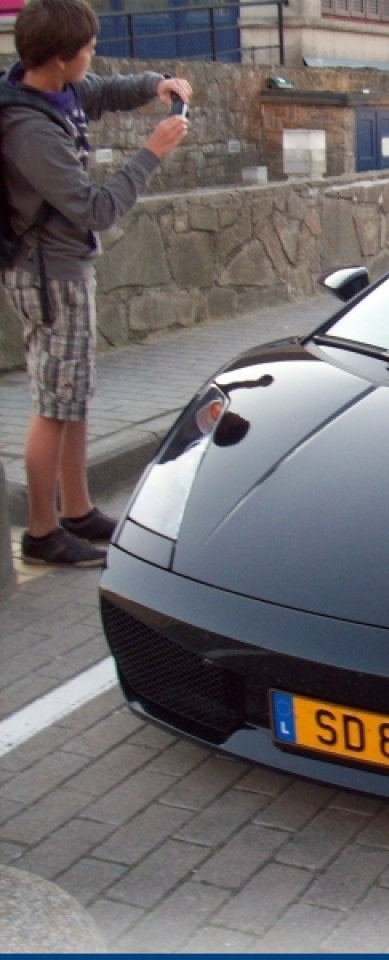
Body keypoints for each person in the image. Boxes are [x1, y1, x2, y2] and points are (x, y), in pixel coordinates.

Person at [2, 0, 190, 567]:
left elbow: (100, 90)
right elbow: (96, 207)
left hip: (63, 268)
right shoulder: (30, 129)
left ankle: (78, 510)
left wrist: (154, 84)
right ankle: (41, 531)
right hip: (47, 277)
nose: (93, 57)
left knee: (74, 396)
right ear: (59, 59)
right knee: (53, 405)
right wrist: (151, 153)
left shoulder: (50, 90)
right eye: (86, 49)